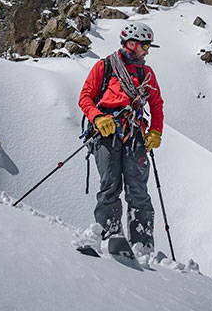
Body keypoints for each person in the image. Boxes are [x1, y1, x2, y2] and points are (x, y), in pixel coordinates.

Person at [78, 21, 163, 256]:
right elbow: (85, 96)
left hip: (134, 135)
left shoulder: (146, 74)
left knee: (138, 190)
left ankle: (142, 245)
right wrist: (97, 117)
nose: (147, 51)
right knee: (109, 185)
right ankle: (109, 236)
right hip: (105, 134)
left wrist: (155, 131)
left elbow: (156, 105)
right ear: (132, 43)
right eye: (145, 46)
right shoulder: (104, 66)